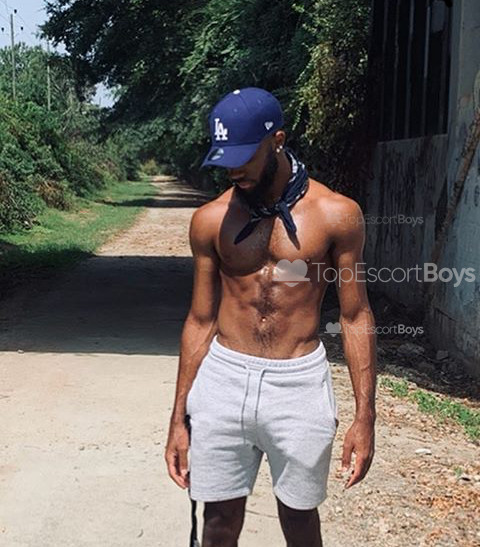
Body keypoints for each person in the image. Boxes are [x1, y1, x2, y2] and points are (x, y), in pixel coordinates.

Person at [164, 87, 377, 547]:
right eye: (225, 160)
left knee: (300, 521)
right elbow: (200, 320)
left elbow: (355, 314)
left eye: (244, 157)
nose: (233, 170)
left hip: (297, 383)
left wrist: (365, 417)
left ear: (277, 140)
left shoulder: (337, 215)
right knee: (218, 524)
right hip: (224, 377)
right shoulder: (210, 220)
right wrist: (178, 418)